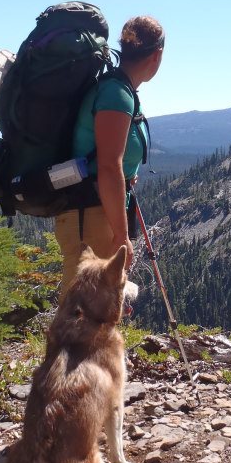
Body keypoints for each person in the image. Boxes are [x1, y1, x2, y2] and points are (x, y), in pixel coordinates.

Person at [54, 15, 164, 299]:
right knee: (84, 314)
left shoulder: (120, 89)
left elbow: (113, 158)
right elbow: (107, 164)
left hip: (93, 211)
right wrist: (121, 236)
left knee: (95, 311)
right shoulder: (116, 93)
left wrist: (128, 173)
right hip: (91, 216)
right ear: (157, 55)